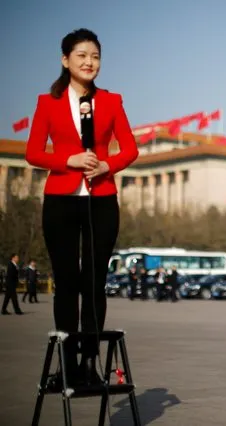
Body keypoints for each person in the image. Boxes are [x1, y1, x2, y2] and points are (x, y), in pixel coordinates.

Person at [25, 28, 139, 386]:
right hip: (60, 200)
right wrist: (69, 160)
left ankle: (90, 364)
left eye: (95, 56)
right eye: (82, 56)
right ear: (65, 60)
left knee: (93, 282)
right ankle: (67, 365)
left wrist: (107, 165)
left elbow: (130, 148)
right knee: (66, 282)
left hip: (101, 200)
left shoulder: (112, 100)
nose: (89, 63)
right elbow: (32, 153)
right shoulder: (48, 102)